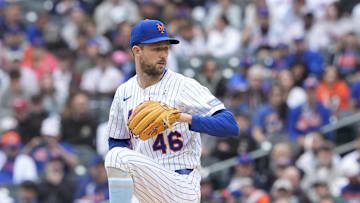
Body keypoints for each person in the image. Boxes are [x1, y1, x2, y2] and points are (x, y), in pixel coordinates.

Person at [104, 19, 239, 203]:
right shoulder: (124, 92)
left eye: (165, 48)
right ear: (137, 51)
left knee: (117, 157)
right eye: (156, 49)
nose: (163, 55)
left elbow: (230, 125)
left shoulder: (183, 85)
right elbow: (116, 140)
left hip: (180, 183)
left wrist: (182, 118)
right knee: (115, 156)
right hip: (148, 183)